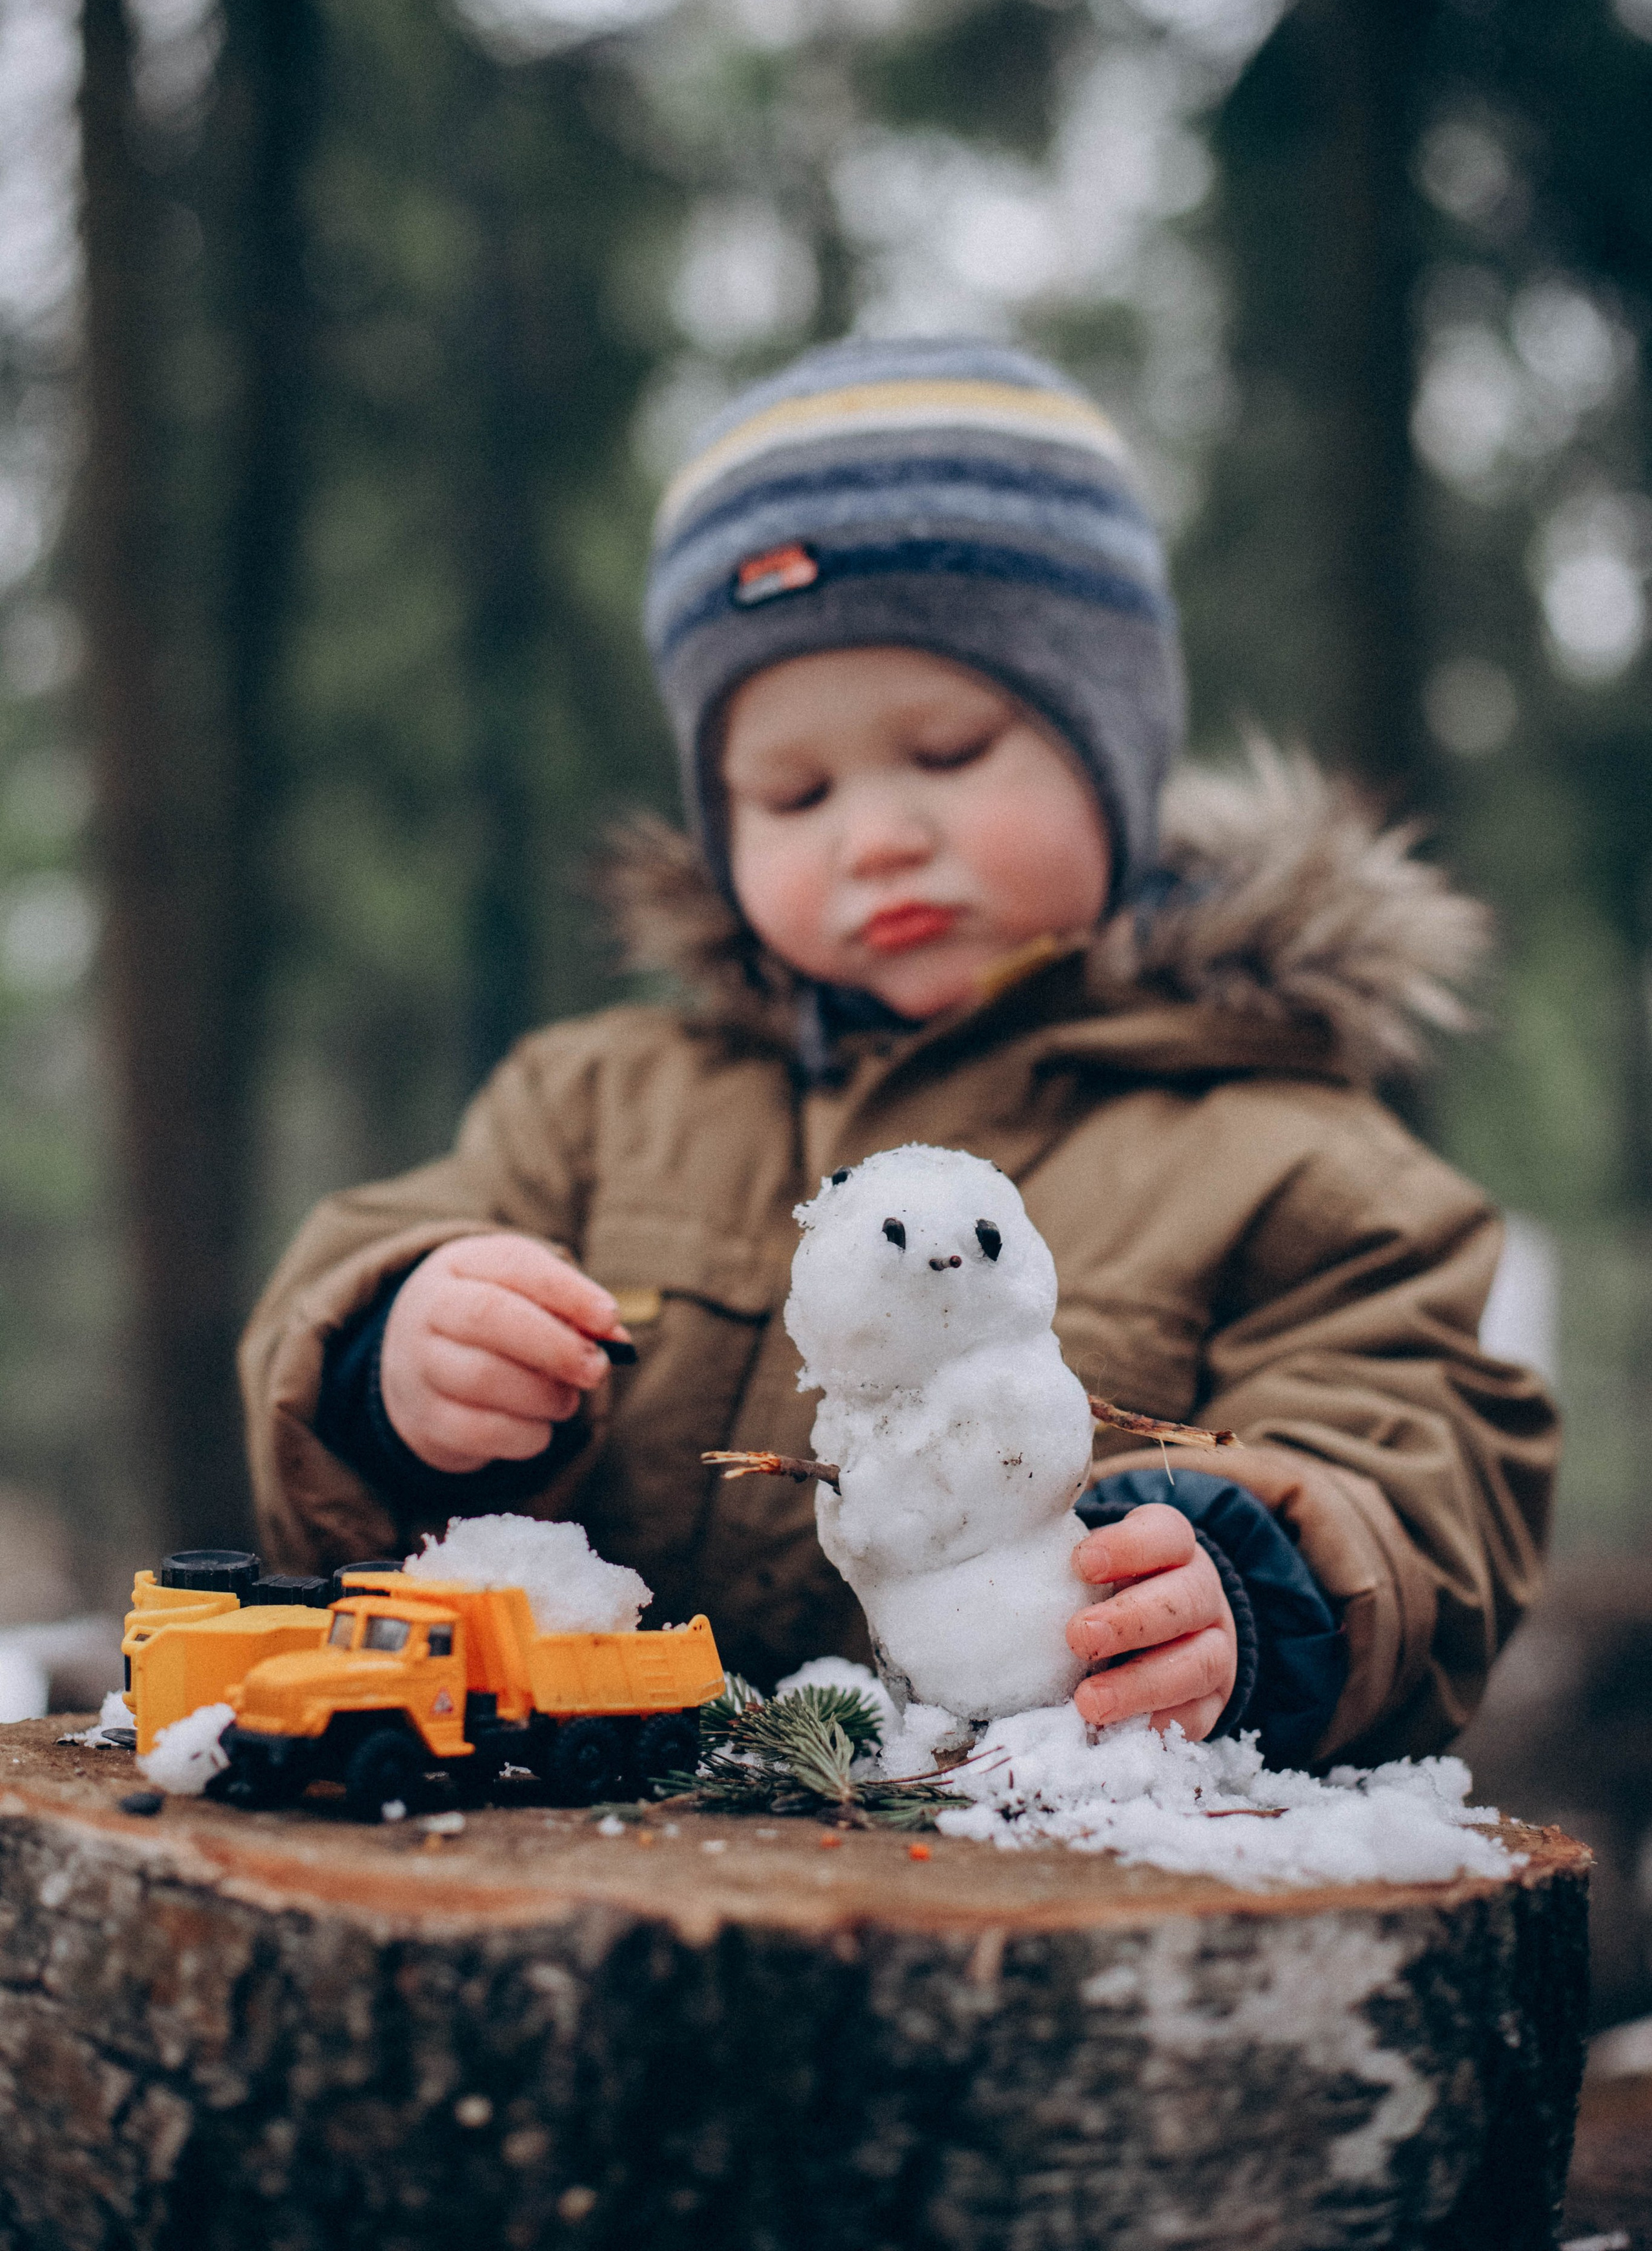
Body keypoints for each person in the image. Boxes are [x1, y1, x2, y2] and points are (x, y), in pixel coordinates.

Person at [241, 339, 1558, 1768]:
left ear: (1113, 750)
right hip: (592, 1846)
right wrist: (397, 1366)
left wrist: (1250, 1594)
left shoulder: (1283, 1151)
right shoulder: (595, 1108)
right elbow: (342, 1338)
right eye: (792, 791)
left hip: (1031, 1871)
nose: (873, 838)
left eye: (947, 752)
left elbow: (1417, 1460)